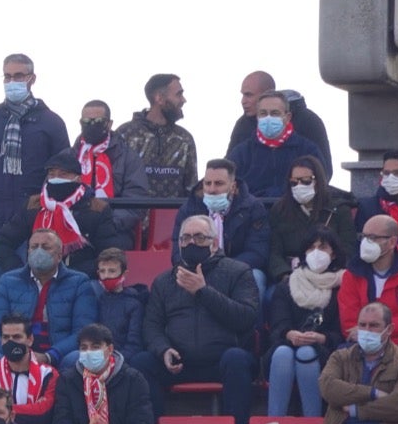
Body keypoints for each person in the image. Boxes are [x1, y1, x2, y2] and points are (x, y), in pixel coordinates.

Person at [0, 54, 70, 350]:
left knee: (31, 294)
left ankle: (28, 363)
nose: (13, 81)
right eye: (8, 76)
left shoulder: (51, 122)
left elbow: (64, 171)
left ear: (32, 78)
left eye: (19, 75)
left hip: (33, 226)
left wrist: (47, 213)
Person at [136, 215, 259, 424]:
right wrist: (163, 349)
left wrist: (203, 291)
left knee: (237, 359)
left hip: (222, 359)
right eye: (186, 238)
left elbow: (246, 318)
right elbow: (151, 325)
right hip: (179, 362)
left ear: (214, 243)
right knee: (142, 362)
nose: (192, 243)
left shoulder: (238, 272)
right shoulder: (164, 281)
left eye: (199, 237)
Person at [0, 229, 96, 406]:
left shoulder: (79, 283)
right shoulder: (8, 281)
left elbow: (83, 332)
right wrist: (17, 353)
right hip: (13, 351)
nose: (38, 251)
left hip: (57, 354)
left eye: (45, 247)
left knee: (76, 359)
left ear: (59, 255)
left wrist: (50, 356)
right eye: (34, 247)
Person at [338, 214, 398, 423]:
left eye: (373, 238)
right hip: (376, 342)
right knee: (341, 354)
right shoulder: (351, 274)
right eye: (364, 236)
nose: (366, 243)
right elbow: (349, 325)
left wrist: (377, 335)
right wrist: (396, 337)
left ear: (392, 242)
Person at [0, 150, 117, 278]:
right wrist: (21, 272)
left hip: (82, 279)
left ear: (78, 179)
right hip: (37, 279)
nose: (56, 179)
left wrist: (78, 275)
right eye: (52, 174)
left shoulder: (97, 209)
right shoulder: (33, 205)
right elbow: (2, 242)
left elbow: (109, 254)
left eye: (63, 174)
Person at [266, 226, 344, 418]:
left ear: (333, 254)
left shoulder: (343, 285)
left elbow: (342, 329)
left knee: (307, 353)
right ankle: (274, 423)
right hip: (286, 343)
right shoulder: (286, 286)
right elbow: (278, 324)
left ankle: (313, 422)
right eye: (311, 248)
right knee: (283, 353)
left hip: (327, 349)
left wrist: (322, 338)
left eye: (323, 247)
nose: (316, 253)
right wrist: (289, 334)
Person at [169, 158, 272, 299]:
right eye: (207, 183)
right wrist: (203, 269)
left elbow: (257, 253)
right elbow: (177, 252)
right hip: (198, 268)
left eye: (219, 184)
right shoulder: (189, 209)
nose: (211, 190)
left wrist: (224, 270)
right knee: (165, 282)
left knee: (256, 279)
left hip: (240, 270)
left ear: (233, 187)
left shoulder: (254, 208)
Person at [72, 100, 150, 251]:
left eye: (98, 121)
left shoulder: (128, 157)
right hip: (73, 226)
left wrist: (107, 222)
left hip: (114, 229)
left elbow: (136, 200)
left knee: (111, 251)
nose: (91, 125)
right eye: (86, 121)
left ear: (109, 123)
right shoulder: (70, 156)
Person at [266, 156, 356, 285]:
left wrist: (330, 270)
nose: (299, 186)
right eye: (294, 182)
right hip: (291, 275)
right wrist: (285, 275)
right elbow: (274, 252)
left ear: (318, 181)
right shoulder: (280, 210)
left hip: (330, 274)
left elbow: (348, 248)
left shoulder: (339, 209)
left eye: (306, 181)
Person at [224, 90, 323, 201]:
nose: (268, 118)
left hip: (294, 212)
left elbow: (321, 183)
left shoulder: (307, 150)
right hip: (253, 214)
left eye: (275, 113)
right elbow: (225, 185)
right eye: (263, 113)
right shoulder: (241, 153)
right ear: (257, 117)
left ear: (288, 117)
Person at [231, 71, 333, 176]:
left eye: (249, 95)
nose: (243, 101)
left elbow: (323, 172)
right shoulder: (243, 126)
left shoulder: (308, 122)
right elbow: (227, 173)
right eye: (263, 114)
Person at [114, 73, 197, 202]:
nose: (183, 100)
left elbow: (191, 189)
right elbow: (114, 183)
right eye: (178, 94)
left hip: (172, 220)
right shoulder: (126, 134)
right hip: (132, 219)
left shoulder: (184, 139)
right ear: (159, 98)